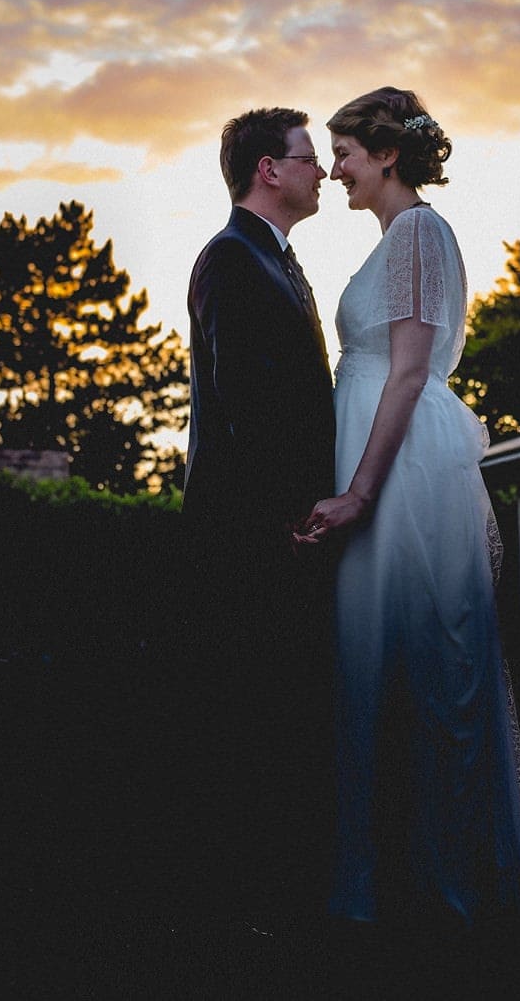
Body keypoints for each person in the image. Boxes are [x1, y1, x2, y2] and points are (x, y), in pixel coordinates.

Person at [297, 87, 520, 926]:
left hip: (401, 471)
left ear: (388, 154)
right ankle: (384, 868)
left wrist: (362, 490)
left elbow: (406, 369)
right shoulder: (394, 240)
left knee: (432, 659)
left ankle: (446, 880)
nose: (337, 170)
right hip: (380, 454)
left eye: (347, 154)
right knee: (376, 659)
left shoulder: (418, 233)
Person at [182, 106, 339, 913]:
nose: (322, 170)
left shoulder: (277, 260)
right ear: (268, 171)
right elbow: (245, 409)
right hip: (249, 542)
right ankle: (247, 907)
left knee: (284, 721)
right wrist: (291, 516)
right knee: (250, 726)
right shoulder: (230, 261)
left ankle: (276, 883)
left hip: (282, 535)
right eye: (308, 157)